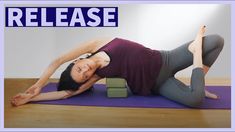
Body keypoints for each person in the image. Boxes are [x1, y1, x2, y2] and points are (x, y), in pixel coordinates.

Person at [11, 26, 224, 107]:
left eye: (79, 69)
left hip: (166, 58)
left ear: (77, 61)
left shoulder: (97, 44)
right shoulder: (98, 75)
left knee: (216, 41)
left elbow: (56, 61)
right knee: (196, 100)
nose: (85, 72)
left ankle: (200, 81)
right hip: (156, 84)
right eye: (84, 77)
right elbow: (65, 94)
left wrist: (39, 85)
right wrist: (31, 99)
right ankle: (197, 68)